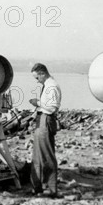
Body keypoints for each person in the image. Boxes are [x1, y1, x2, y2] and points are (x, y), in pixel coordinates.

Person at [29, 63, 61, 196]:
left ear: (42, 73)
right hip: (42, 119)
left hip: (46, 121)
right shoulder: (47, 86)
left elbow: (52, 107)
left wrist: (38, 103)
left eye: (37, 78)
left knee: (47, 155)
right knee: (37, 155)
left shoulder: (52, 86)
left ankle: (51, 188)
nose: (37, 80)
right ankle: (38, 186)